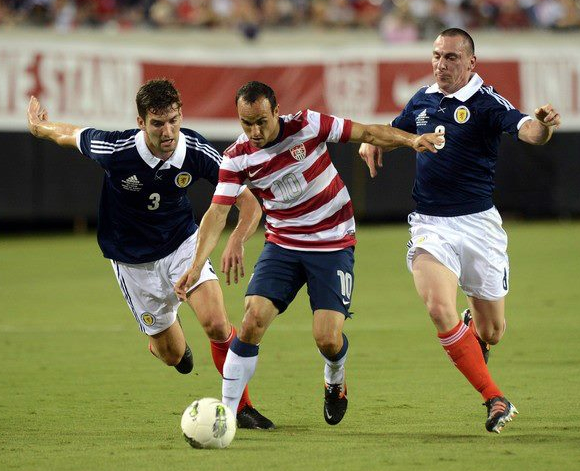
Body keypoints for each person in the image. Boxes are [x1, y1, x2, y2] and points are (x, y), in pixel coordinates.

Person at [174, 80, 444, 425]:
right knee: (252, 318)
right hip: (283, 244)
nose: (255, 131)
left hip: (332, 242)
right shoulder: (236, 157)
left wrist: (411, 140)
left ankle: (335, 380)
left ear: (276, 111)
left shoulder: (307, 125)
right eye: (246, 123)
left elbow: (369, 133)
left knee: (328, 339)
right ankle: (227, 414)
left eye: (261, 121)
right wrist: (197, 266)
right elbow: (217, 212)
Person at [26, 78, 274, 429]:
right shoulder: (117, 150)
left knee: (217, 324)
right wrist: (40, 128)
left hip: (182, 245)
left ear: (181, 115)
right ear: (141, 122)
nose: (168, 130)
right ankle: (166, 346)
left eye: (173, 120)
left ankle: (241, 407)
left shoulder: (197, 152)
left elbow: (249, 205)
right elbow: (70, 134)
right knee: (173, 354)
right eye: (158, 123)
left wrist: (237, 239)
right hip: (132, 262)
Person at [358, 28, 561, 433]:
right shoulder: (422, 98)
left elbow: (527, 129)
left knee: (493, 332)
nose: (440, 64)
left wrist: (543, 126)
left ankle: (474, 331)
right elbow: (399, 131)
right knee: (437, 307)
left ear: (471, 63)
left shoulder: (486, 102)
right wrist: (373, 140)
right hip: (431, 224)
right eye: (436, 55)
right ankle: (495, 398)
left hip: (479, 227)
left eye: (451, 57)